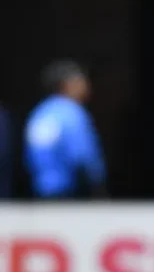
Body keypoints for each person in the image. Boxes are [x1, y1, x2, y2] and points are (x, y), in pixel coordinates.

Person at [24, 60, 106, 199]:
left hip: (42, 190)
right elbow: (82, 157)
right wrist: (98, 186)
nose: (86, 86)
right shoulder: (71, 112)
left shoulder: (39, 112)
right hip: (70, 192)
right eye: (81, 81)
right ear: (66, 84)